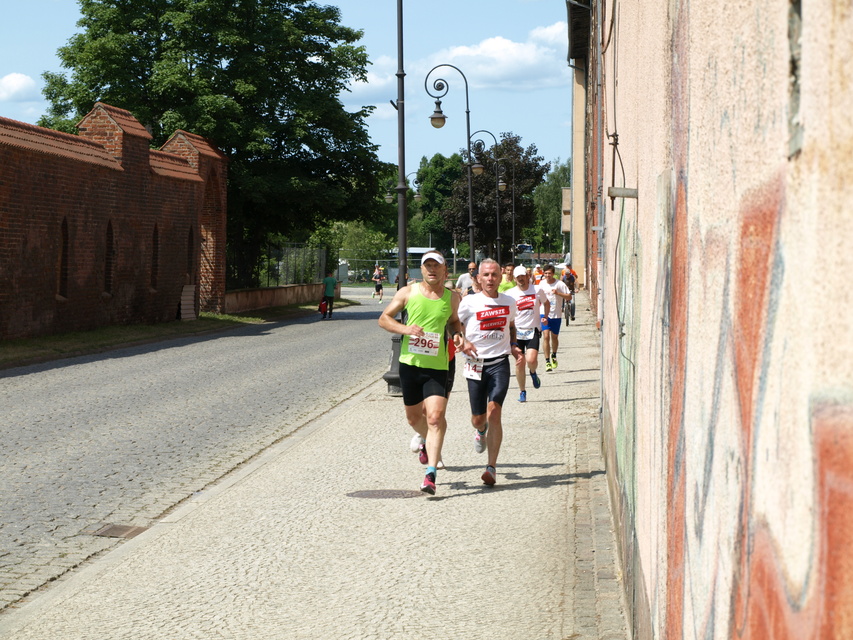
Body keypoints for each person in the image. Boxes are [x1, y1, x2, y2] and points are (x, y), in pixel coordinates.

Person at [378, 251, 469, 495]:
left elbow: (452, 322)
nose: (431, 270)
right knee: (413, 419)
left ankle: (430, 475)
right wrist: (406, 329)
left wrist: (457, 334)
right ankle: (429, 445)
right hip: (410, 364)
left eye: (436, 266)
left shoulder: (452, 297)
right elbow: (384, 319)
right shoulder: (408, 292)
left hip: (437, 366)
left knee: (435, 417)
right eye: (427, 266)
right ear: (422, 269)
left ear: (444, 270)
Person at [457, 258, 523, 486]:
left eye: (494, 274)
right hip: (475, 363)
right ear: (478, 278)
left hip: (499, 363)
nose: (490, 279)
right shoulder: (469, 302)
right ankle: (481, 430)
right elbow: (455, 325)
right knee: (478, 419)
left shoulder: (509, 302)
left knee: (494, 410)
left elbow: (512, 325)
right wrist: (462, 340)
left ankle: (491, 467)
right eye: (486, 275)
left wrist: (514, 346)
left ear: (501, 277)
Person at [505, 265, 550, 402]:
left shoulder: (537, 290)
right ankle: (522, 391)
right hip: (516, 332)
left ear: (527, 276)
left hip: (532, 330)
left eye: (522, 277)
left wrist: (545, 316)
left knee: (531, 360)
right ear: (514, 278)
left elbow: (546, 303)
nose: (521, 280)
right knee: (519, 362)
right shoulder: (510, 293)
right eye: (518, 278)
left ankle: (533, 372)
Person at [538, 264, 572, 370]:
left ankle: (554, 355)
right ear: (543, 273)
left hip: (556, 314)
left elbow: (569, 296)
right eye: (546, 273)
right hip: (543, 313)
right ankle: (547, 361)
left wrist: (558, 293)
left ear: (553, 274)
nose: (547, 275)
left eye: (549, 273)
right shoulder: (541, 284)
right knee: (546, 336)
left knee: (554, 337)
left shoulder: (559, 284)